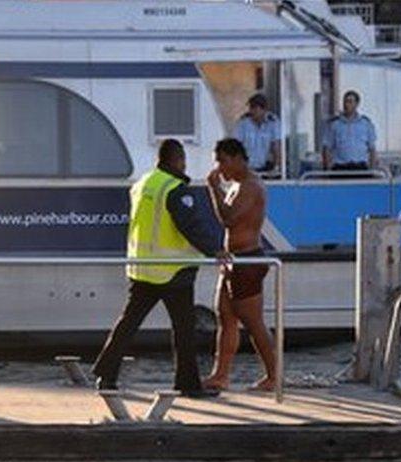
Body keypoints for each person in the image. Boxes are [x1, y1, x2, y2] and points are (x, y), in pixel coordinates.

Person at [92, 139, 224, 398]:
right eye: (183, 159)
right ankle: (187, 384)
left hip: (142, 267)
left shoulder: (142, 184)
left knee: (128, 323)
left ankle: (105, 374)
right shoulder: (175, 189)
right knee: (184, 329)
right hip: (172, 271)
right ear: (177, 159)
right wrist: (215, 250)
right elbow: (190, 226)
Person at [201, 138, 278, 393]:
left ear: (236, 158)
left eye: (222, 160)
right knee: (225, 316)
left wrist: (213, 188)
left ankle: (274, 375)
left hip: (247, 260)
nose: (219, 167)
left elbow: (229, 219)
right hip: (233, 261)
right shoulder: (236, 186)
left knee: (253, 321)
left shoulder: (250, 186)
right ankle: (220, 374)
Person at [321, 90, 377, 173]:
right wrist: (328, 169)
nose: (347, 105)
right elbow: (326, 148)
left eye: (350, 102)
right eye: (345, 101)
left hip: (360, 168)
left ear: (357, 104)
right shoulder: (335, 125)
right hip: (340, 168)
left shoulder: (365, 124)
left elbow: (372, 148)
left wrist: (372, 169)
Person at [232, 93, 281, 174]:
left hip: (265, 168)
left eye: (255, 108)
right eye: (251, 108)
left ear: (264, 110)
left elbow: (276, 147)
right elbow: (236, 148)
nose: (252, 111)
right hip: (247, 168)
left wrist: (276, 168)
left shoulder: (273, 123)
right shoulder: (243, 123)